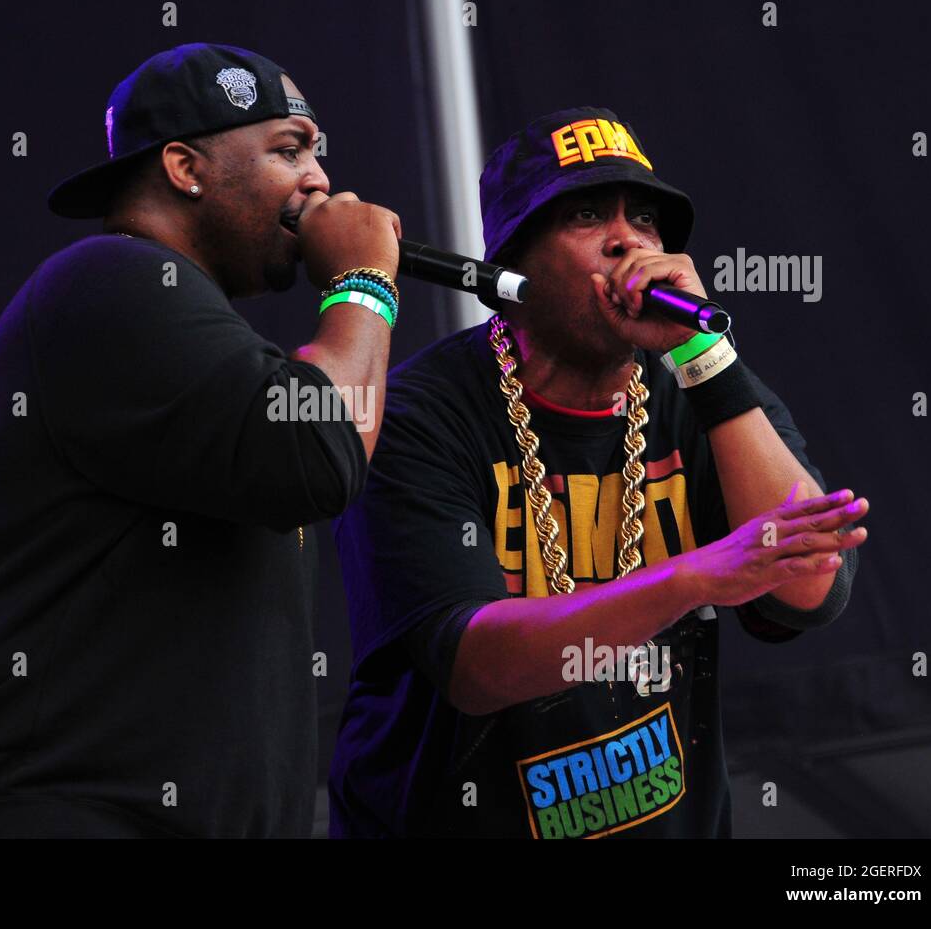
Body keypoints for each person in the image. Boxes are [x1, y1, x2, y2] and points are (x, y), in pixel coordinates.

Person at [0, 43, 403, 838]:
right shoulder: (111, 280)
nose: (319, 179)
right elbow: (317, 449)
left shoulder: (181, 335)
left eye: (318, 152)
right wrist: (365, 284)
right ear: (184, 166)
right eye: (288, 149)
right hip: (33, 810)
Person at [329, 107, 868, 838]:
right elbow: (477, 665)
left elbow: (812, 587)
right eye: (587, 214)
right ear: (511, 270)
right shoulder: (424, 416)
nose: (630, 240)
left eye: (645, 219)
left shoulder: (695, 389)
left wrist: (707, 357)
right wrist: (692, 578)